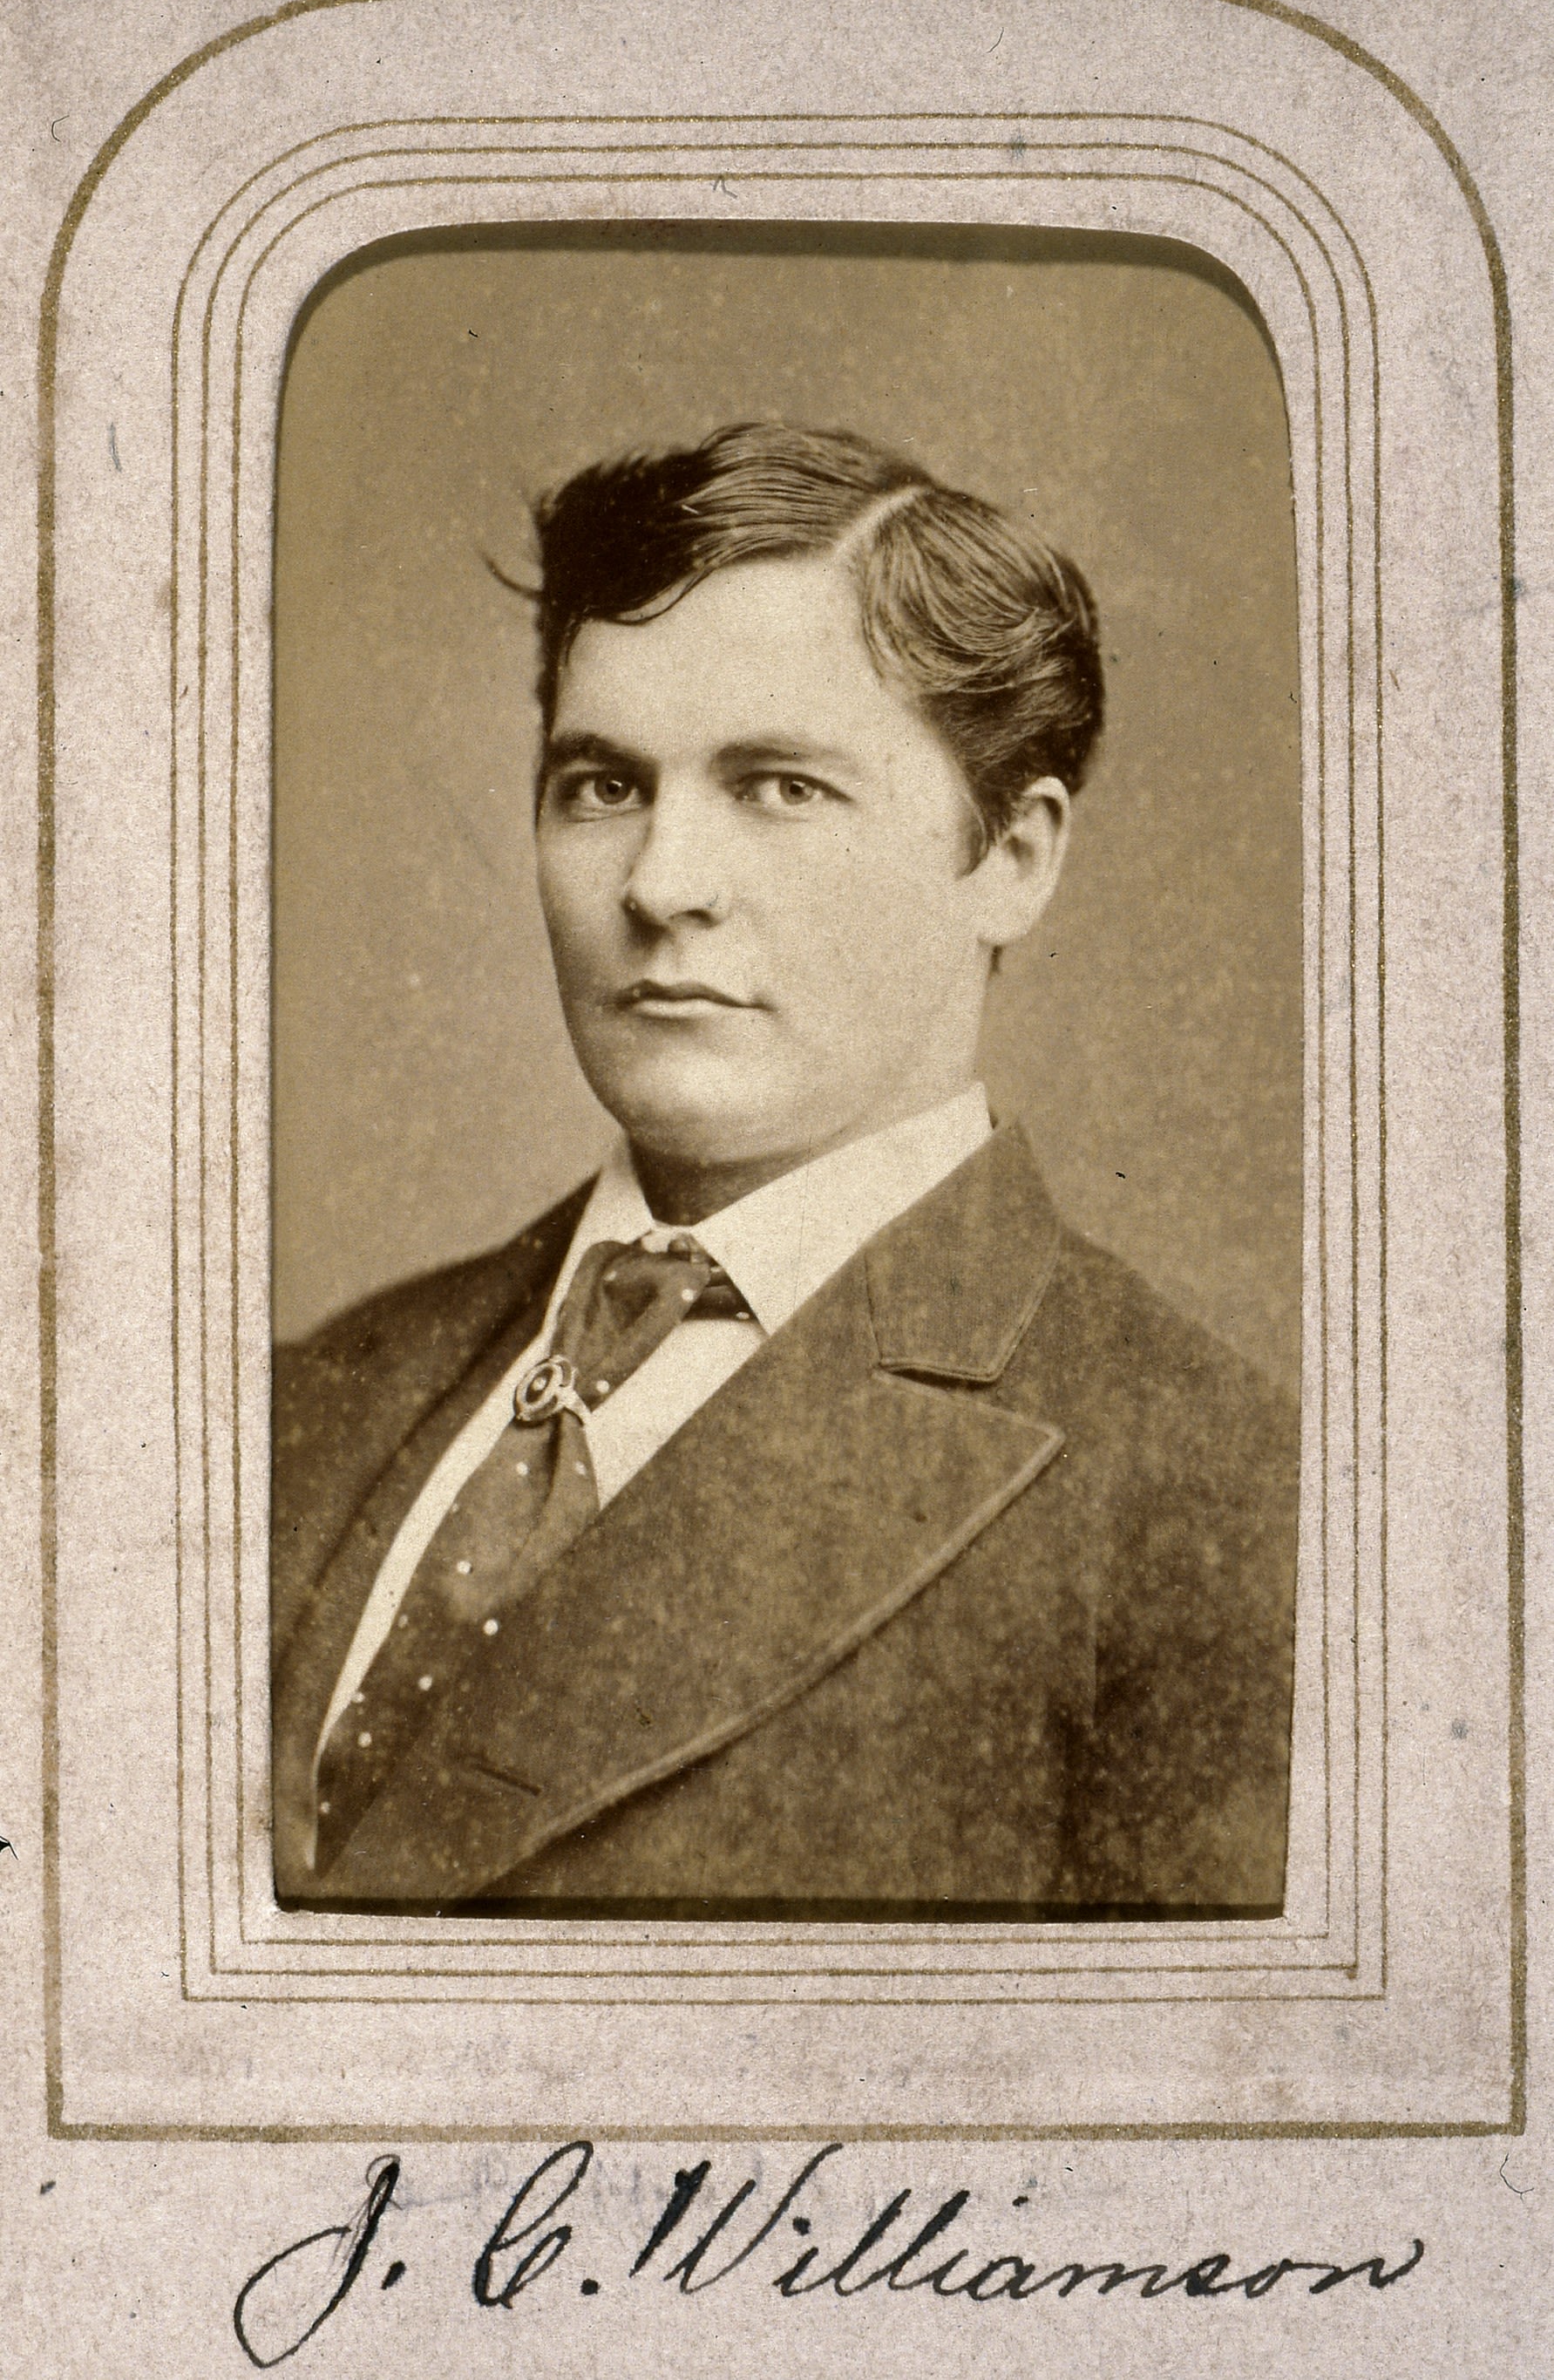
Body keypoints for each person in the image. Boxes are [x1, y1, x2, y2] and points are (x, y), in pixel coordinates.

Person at [271, 421, 1297, 1916]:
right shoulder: (312, 1397)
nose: (661, 885)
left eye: (780, 787)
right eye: (603, 785)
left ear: (1009, 857)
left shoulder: (1215, 1501)